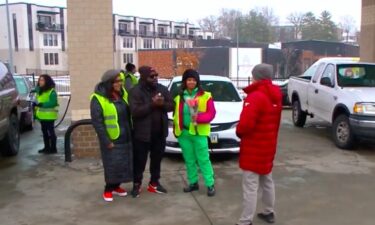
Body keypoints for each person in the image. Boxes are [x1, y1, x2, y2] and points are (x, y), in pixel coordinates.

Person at [236, 64, 282, 225]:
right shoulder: (275, 95)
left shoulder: (255, 97)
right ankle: (269, 212)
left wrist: (239, 132)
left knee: (250, 186)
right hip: (268, 145)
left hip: (253, 147)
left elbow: (246, 124)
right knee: (267, 180)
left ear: (257, 76)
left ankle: (245, 221)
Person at [129, 66, 174, 197]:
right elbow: (135, 112)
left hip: (159, 133)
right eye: (151, 76)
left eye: (156, 75)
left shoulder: (162, 89)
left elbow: (172, 105)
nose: (155, 78)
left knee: (157, 160)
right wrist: (152, 104)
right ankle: (137, 184)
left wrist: (162, 104)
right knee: (139, 161)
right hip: (142, 134)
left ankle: (154, 183)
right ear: (143, 77)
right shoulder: (135, 91)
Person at [90, 70, 133, 202]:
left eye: (121, 81)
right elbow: (97, 122)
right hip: (112, 138)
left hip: (126, 136)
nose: (121, 83)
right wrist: (106, 140)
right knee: (112, 165)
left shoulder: (122, 94)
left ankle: (116, 186)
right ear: (109, 83)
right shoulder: (98, 98)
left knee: (124, 164)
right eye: (117, 81)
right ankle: (108, 189)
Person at [173, 69, 217, 197]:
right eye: (188, 80)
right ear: (185, 82)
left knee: (203, 159)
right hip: (184, 134)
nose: (191, 82)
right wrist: (177, 130)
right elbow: (176, 114)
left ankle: (210, 184)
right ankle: (193, 183)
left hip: (199, 133)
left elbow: (211, 113)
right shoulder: (179, 97)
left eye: (193, 80)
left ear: (197, 82)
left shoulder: (206, 95)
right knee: (189, 160)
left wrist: (198, 118)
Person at [34, 74, 59, 154]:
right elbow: (37, 99)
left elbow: (53, 103)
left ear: (47, 81)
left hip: (49, 116)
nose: (40, 82)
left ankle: (53, 148)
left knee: (50, 132)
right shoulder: (39, 91)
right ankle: (47, 147)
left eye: (42, 80)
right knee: (44, 132)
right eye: (39, 80)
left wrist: (41, 104)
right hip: (41, 116)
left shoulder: (52, 91)